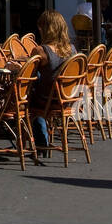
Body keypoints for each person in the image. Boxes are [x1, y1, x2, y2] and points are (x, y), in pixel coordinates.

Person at [28, 10, 77, 145]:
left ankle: (39, 134)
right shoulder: (72, 49)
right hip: (68, 98)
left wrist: (16, 68)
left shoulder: (41, 50)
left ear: (45, 29)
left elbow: (28, 75)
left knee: (25, 97)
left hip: (46, 99)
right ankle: (41, 132)